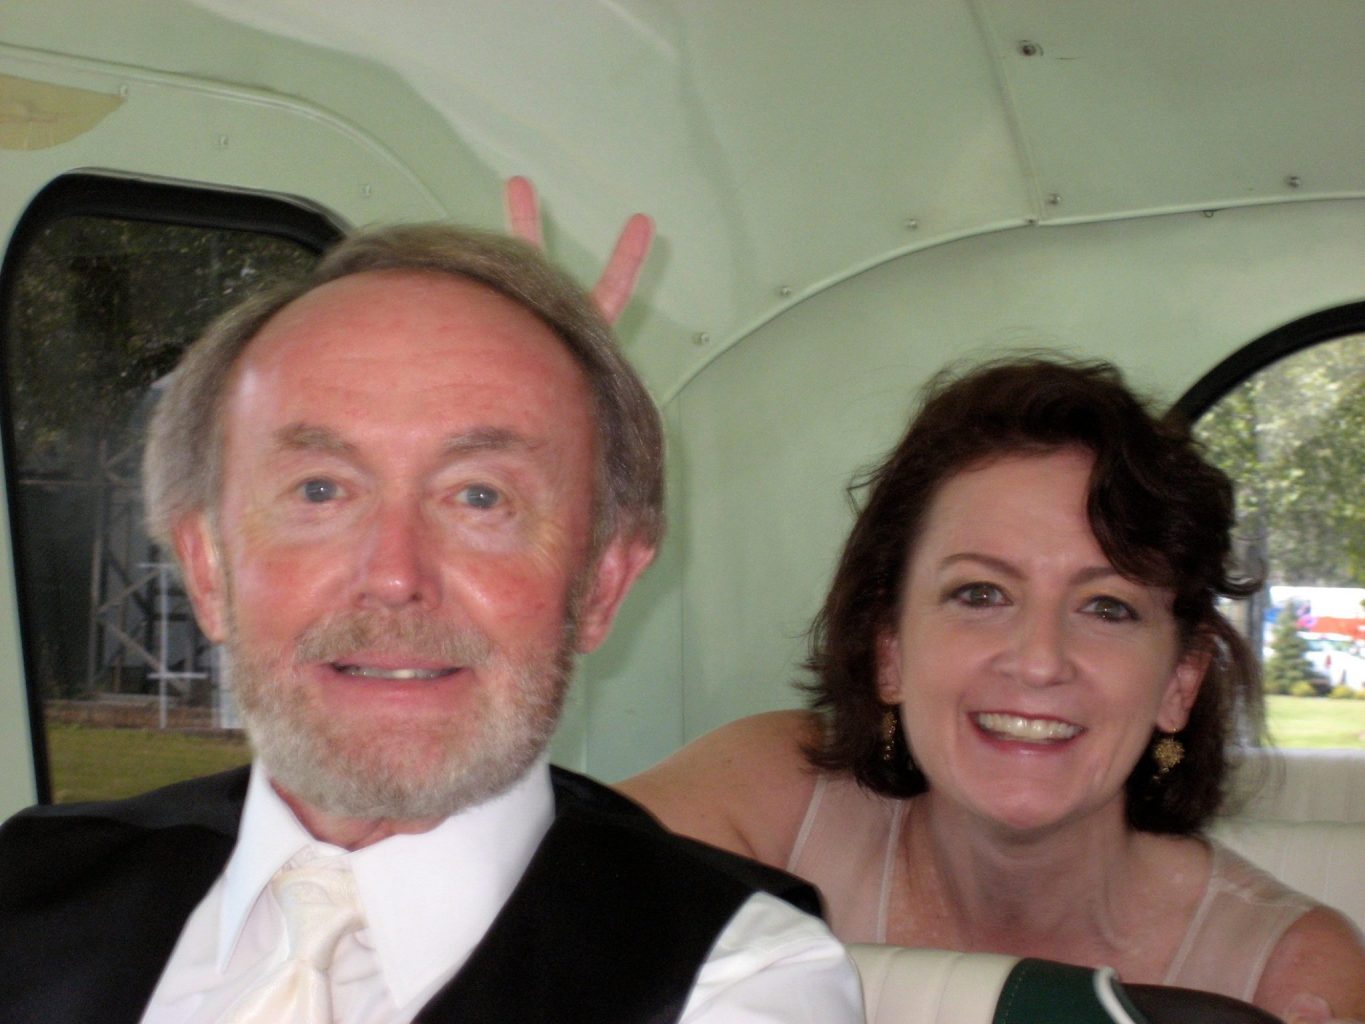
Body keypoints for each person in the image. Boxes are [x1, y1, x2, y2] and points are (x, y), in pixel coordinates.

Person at [0, 219, 862, 1022]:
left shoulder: (736, 977)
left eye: (480, 498)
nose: (393, 576)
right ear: (206, 569)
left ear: (600, 585)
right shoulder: (25, 892)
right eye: (320, 491)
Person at [622, 356, 1365, 1022]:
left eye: (1106, 607)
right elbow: (533, 903)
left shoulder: (1288, 971)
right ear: (889, 649)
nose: (1039, 661)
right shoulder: (765, 799)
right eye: (979, 594)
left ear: (1179, 681)